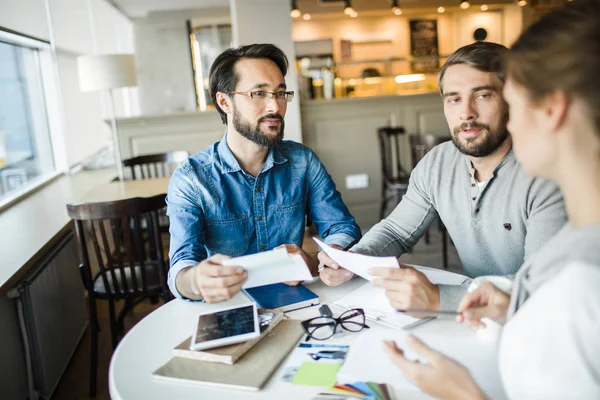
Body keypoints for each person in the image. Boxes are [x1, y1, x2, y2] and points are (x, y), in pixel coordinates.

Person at [384, 0, 600, 398]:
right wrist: (511, 302)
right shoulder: (578, 251)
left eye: (511, 103)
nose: (467, 113)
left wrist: (465, 394)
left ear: (552, 110)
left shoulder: (579, 285)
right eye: (452, 99)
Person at [318, 41, 567, 311]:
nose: (466, 113)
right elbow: (397, 231)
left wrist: (439, 298)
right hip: (476, 318)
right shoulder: (438, 162)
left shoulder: (547, 174)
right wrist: (354, 259)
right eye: (454, 99)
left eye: (483, 95)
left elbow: (542, 287)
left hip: (544, 325)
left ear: (513, 99)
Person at [167, 44, 361, 303]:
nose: (275, 106)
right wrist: (195, 280)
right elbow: (181, 268)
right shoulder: (191, 179)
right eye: (258, 93)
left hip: (295, 300)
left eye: (280, 93)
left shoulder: (302, 161)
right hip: (227, 307)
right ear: (224, 101)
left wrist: (321, 258)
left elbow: (342, 227)